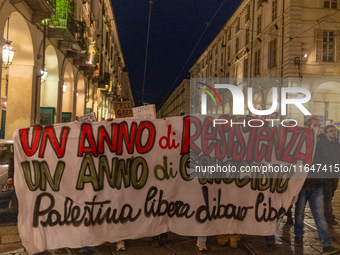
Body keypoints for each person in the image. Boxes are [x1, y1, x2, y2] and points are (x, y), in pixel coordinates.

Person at [294, 119, 338, 255]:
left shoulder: (321, 142)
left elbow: (331, 154)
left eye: (319, 126)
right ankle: (298, 237)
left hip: (317, 184)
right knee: (299, 214)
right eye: (315, 126)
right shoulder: (300, 141)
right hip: (302, 184)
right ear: (307, 127)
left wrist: (322, 137)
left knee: (319, 215)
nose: (317, 128)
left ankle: (326, 244)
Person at [316, 125, 340, 226]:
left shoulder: (337, 144)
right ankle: (329, 216)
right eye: (331, 131)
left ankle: (324, 212)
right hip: (326, 173)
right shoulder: (321, 144)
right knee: (328, 196)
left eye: (334, 131)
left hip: (335, 173)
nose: (334, 133)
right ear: (326, 134)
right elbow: (318, 159)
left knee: (331, 194)